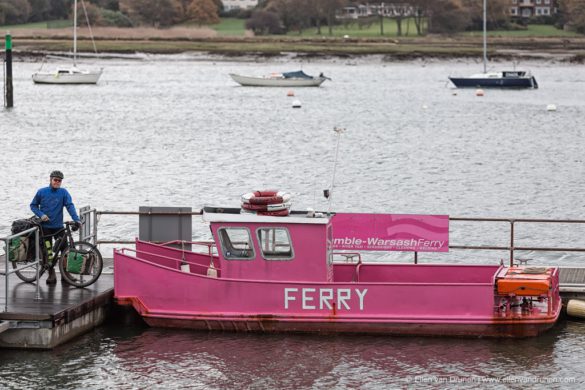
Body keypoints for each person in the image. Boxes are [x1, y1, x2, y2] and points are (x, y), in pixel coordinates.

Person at [30, 170, 82, 285]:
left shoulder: (63, 192)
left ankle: (65, 273)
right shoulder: (42, 192)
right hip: (45, 227)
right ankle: (51, 273)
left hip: (59, 226)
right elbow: (33, 205)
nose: (57, 182)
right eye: (55, 180)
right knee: (48, 251)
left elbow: (70, 206)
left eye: (59, 181)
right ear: (50, 179)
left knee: (65, 250)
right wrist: (41, 215)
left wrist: (76, 219)